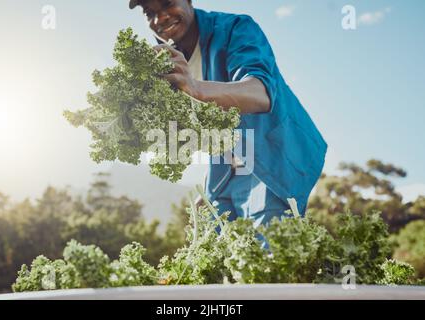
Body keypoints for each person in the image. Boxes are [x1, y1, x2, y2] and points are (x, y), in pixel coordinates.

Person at [129, 0, 327, 239]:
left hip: (270, 157)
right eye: (149, 13)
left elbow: (260, 93)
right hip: (223, 169)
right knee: (214, 255)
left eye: (168, 3)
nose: (159, 19)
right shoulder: (165, 61)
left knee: (266, 263)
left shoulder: (236, 28)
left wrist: (195, 87)